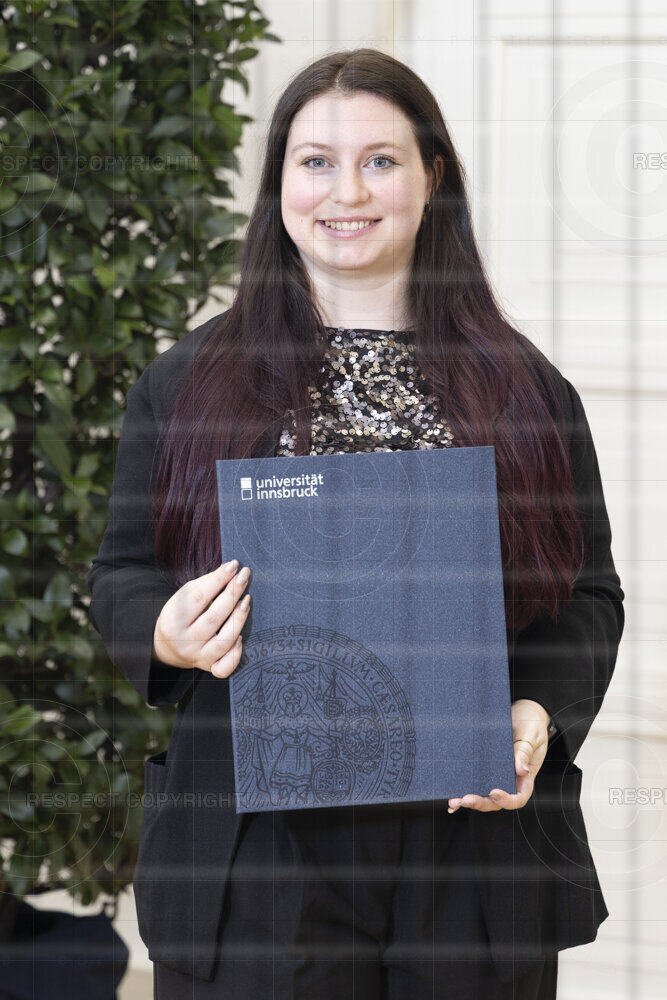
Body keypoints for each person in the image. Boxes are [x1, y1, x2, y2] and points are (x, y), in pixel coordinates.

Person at [87, 48, 624, 1000]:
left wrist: (535, 712)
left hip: (470, 842)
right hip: (255, 852)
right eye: (316, 162)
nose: (347, 192)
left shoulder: (528, 390)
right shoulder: (185, 384)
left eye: (380, 160)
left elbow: (588, 595)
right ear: (278, 185)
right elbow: (122, 575)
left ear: (432, 177)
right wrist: (166, 631)